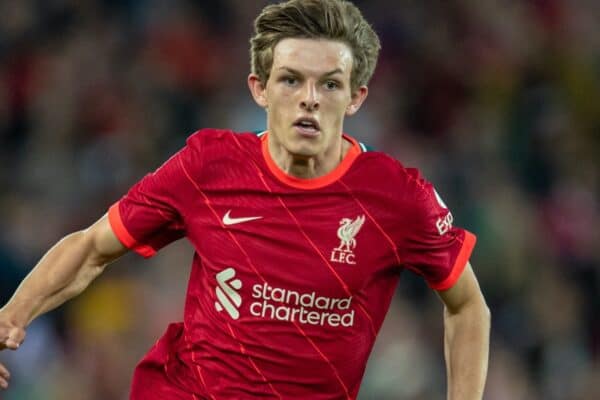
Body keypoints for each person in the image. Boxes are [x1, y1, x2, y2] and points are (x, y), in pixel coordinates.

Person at [0, 0, 490, 398]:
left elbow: (468, 306)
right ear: (260, 88)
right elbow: (91, 248)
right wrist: (10, 318)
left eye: (330, 84)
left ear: (356, 97)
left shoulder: (397, 197)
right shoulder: (209, 165)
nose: (310, 98)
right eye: (291, 79)